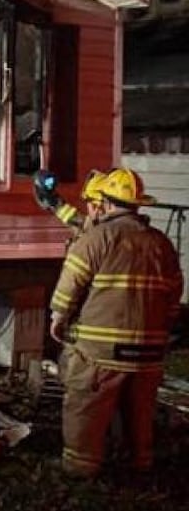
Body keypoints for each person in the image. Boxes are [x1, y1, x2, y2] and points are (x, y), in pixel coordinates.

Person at [48, 167, 183, 478]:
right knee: (140, 410)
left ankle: (80, 469)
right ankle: (139, 464)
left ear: (105, 204)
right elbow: (174, 292)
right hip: (149, 352)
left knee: (86, 406)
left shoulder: (97, 238)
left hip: (101, 351)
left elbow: (71, 282)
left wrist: (58, 316)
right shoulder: (161, 244)